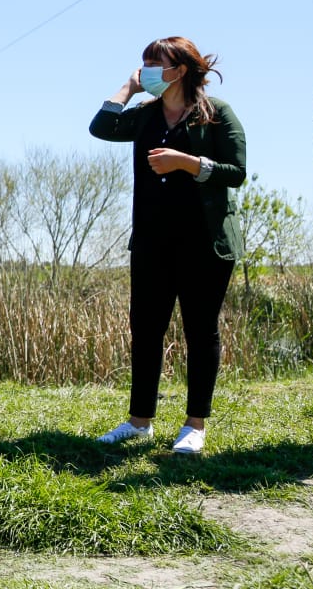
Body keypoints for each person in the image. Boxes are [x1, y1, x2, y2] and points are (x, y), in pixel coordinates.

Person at [89, 37, 246, 454]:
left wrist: (187, 163)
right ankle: (139, 422)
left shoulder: (216, 114)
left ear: (181, 69)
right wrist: (128, 88)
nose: (148, 69)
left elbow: (237, 171)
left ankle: (195, 425)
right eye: (144, 63)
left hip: (205, 244)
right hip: (152, 242)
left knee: (200, 330)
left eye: (155, 63)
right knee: (145, 330)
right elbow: (100, 128)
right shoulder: (145, 115)